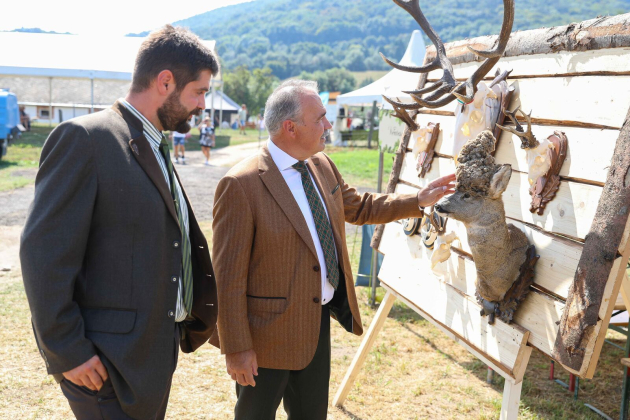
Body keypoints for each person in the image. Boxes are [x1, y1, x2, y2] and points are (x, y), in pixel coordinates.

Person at [211, 79, 455, 419]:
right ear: (291, 127)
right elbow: (226, 277)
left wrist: (418, 200)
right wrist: (236, 349)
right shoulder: (241, 184)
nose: (329, 125)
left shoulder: (321, 165)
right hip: (264, 340)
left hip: (314, 326)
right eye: (321, 118)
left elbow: (361, 207)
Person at [20, 24, 220, 420]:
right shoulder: (85, 138)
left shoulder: (156, 143)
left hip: (151, 354)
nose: (202, 105)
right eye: (199, 92)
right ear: (165, 81)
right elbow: (43, 254)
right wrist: (68, 351)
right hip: (105, 365)